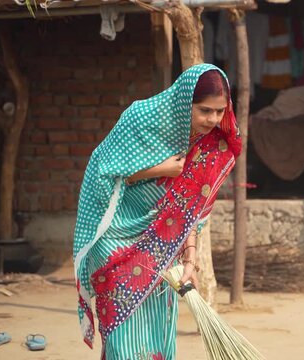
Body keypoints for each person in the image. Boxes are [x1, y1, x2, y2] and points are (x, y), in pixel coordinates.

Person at [72, 64, 241, 359]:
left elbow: (188, 210)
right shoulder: (140, 120)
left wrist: (189, 258)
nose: (213, 120)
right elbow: (103, 172)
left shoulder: (208, 144)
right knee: (122, 333)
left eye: (220, 111)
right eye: (204, 110)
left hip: (161, 246)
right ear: (183, 102)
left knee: (157, 327)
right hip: (115, 238)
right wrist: (162, 169)